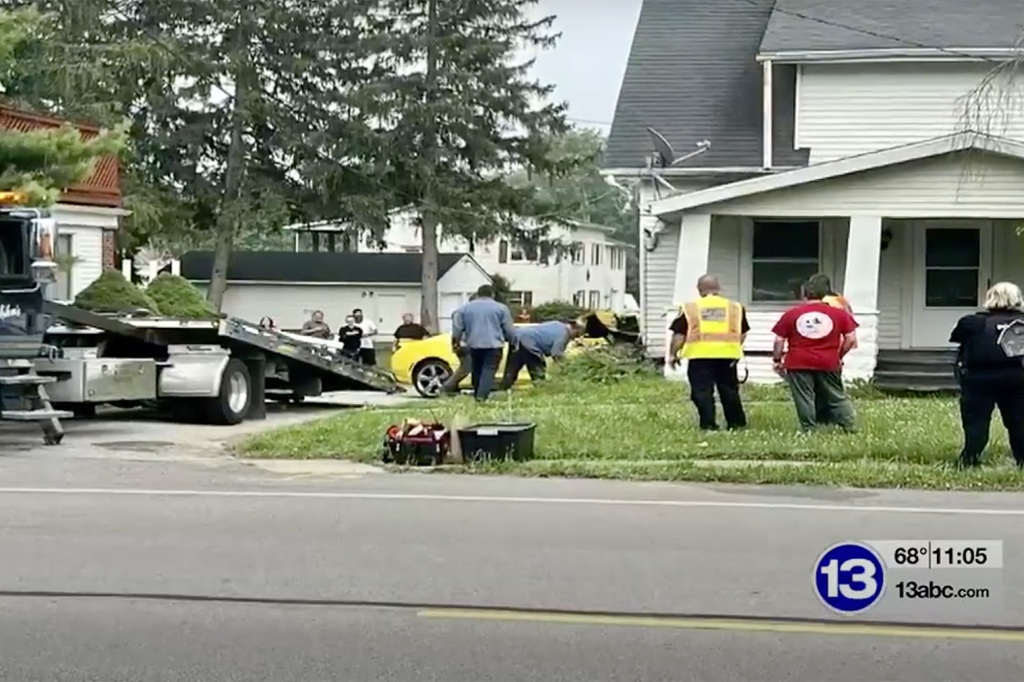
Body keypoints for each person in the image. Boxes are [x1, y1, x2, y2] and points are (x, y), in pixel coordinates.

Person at [949, 281, 1024, 469]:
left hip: (978, 379)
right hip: (1017, 377)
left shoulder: (971, 322)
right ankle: (1022, 461)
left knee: (976, 421)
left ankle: (969, 459)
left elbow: (956, 337)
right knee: (1018, 420)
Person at [771, 278, 858, 431]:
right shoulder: (838, 314)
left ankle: (809, 429)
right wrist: (839, 355)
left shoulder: (792, 314)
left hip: (798, 361)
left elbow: (779, 340)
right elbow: (850, 339)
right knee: (836, 396)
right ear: (824, 294)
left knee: (804, 397)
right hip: (828, 360)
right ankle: (849, 426)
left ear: (805, 294)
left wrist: (777, 359)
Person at [668, 274, 749, 431]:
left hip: (700, 356)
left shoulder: (690, 308)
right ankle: (736, 423)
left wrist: (672, 354)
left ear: (699, 289)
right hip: (727, 356)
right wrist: (734, 347)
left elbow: (679, 334)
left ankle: (708, 424)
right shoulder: (735, 308)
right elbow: (743, 332)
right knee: (729, 390)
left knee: (702, 391)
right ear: (718, 289)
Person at [806, 273, 856, 425]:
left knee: (824, 387)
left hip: (829, 344)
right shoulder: (841, 299)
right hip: (842, 342)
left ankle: (828, 417)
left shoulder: (827, 302)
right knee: (834, 383)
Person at [451, 284, 515, 402]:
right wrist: (512, 341)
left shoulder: (464, 309)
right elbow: (509, 329)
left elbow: (457, 329)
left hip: (473, 344)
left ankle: (477, 393)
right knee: (488, 370)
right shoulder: (501, 308)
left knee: (477, 369)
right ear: (492, 294)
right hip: (493, 345)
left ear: (478, 294)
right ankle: (481, 397)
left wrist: (456, 344)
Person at [498, 319, 581, 390]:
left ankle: (503, 389)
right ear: (574, 329)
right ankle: (541, 389)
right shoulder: (564, 335)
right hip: (530, 343)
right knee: (537, 370)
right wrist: (568, 367)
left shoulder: (557, 324)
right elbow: (556, 354)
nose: (574, 338)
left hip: (517, 337)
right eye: (576, 334)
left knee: (512, 368)